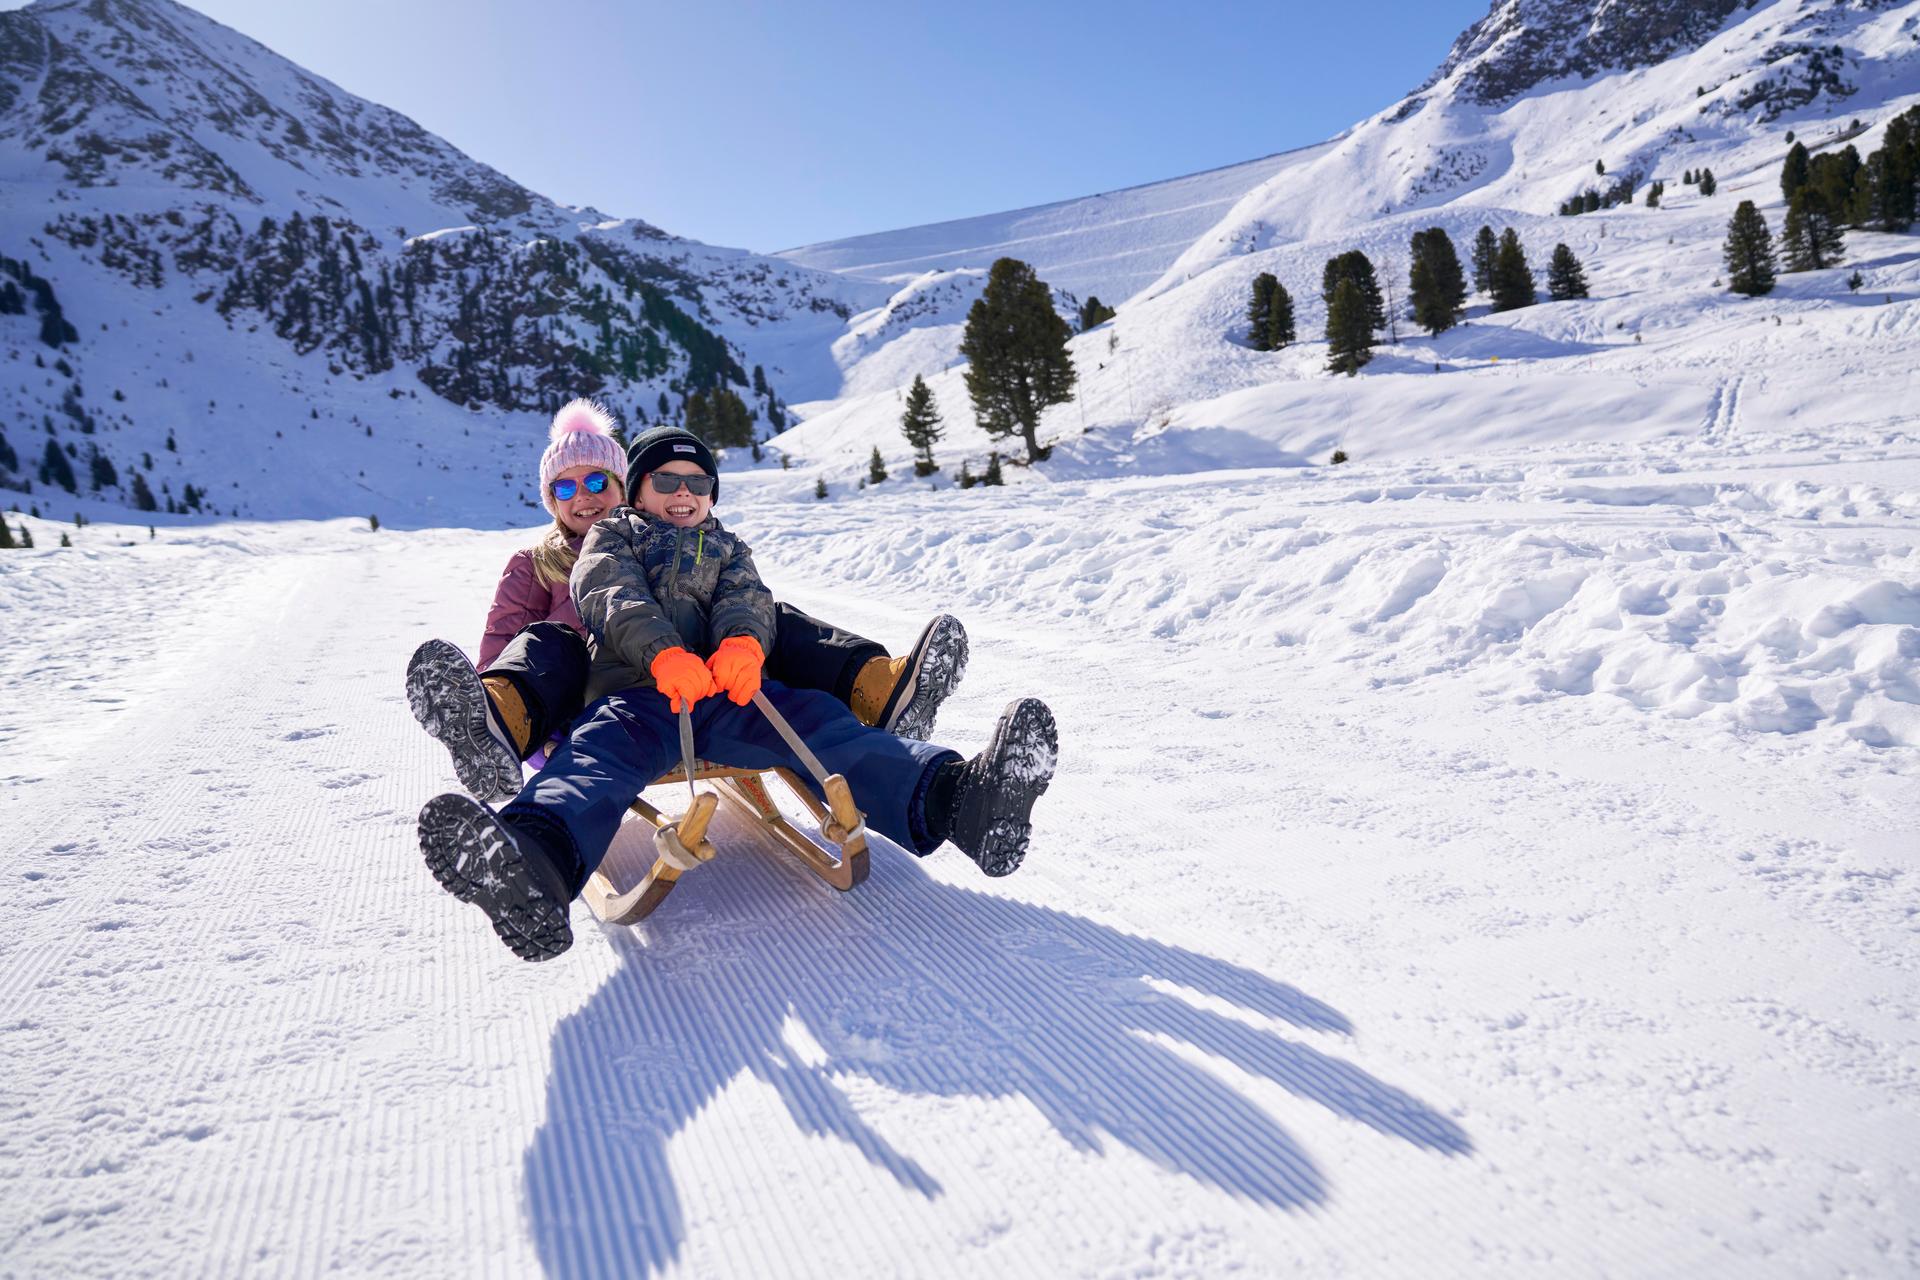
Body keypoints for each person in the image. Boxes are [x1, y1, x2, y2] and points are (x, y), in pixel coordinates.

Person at [417, 427, 1058, 961]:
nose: (683, 494)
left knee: (823, 726)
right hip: (639, 698)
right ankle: (535, 865)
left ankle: (961, 802)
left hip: (728, 698)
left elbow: (746, 600)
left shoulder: (728, 547)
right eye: (666, 481)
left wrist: (744, 646)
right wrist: (663, 653)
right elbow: (611, 594)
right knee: (594, 761)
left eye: (698, 483)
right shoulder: (614, 539)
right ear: (637, 490)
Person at [406, 399, 968, 805]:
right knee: (555, 642)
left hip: (697, 685)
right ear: (550, 498)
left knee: (768, 618)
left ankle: (883, 690)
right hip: (591, 703)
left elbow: (725, 597)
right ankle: (494, 727)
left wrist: (741, 644)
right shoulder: (535, 564)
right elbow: (504, 648)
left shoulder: (667, 543)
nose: (584, 497)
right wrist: (518, 712)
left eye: (598, 482)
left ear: (627, 487)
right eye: (566, 487)